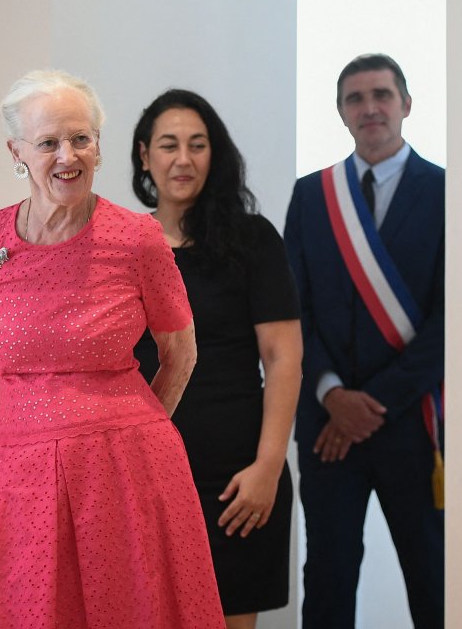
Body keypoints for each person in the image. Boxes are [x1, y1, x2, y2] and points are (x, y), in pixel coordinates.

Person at [0, 70, 225, 629]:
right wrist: (30, 430)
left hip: (129, 472)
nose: (67, 155)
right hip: (16, 472)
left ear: (99, 144)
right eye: (48, 142)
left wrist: (135, 431)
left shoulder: (138, 238)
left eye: (81, 138)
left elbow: (180, 351)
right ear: (17, 152)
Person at [130, 90, 303, 629]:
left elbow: (282, 357)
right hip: (144, 473)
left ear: (215, 154)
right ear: (144, 156)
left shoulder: (252, 240)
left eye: (198, 145)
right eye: (169, 145)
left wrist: (268, 468)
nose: (183, 159)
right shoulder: (124, 243)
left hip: (236, 480)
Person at [283, 54, 445, 628]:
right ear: (341, 113)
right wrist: (332, 395)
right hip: (329, 430)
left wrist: (371, 405)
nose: (369, 107)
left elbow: (450, 321)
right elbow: (292, 311)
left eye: (381, 94)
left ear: (406, 103)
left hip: (415, 425)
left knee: (434, 580)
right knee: (327, 583)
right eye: (356, 98)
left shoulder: (449, 192)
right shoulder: (311, 197)